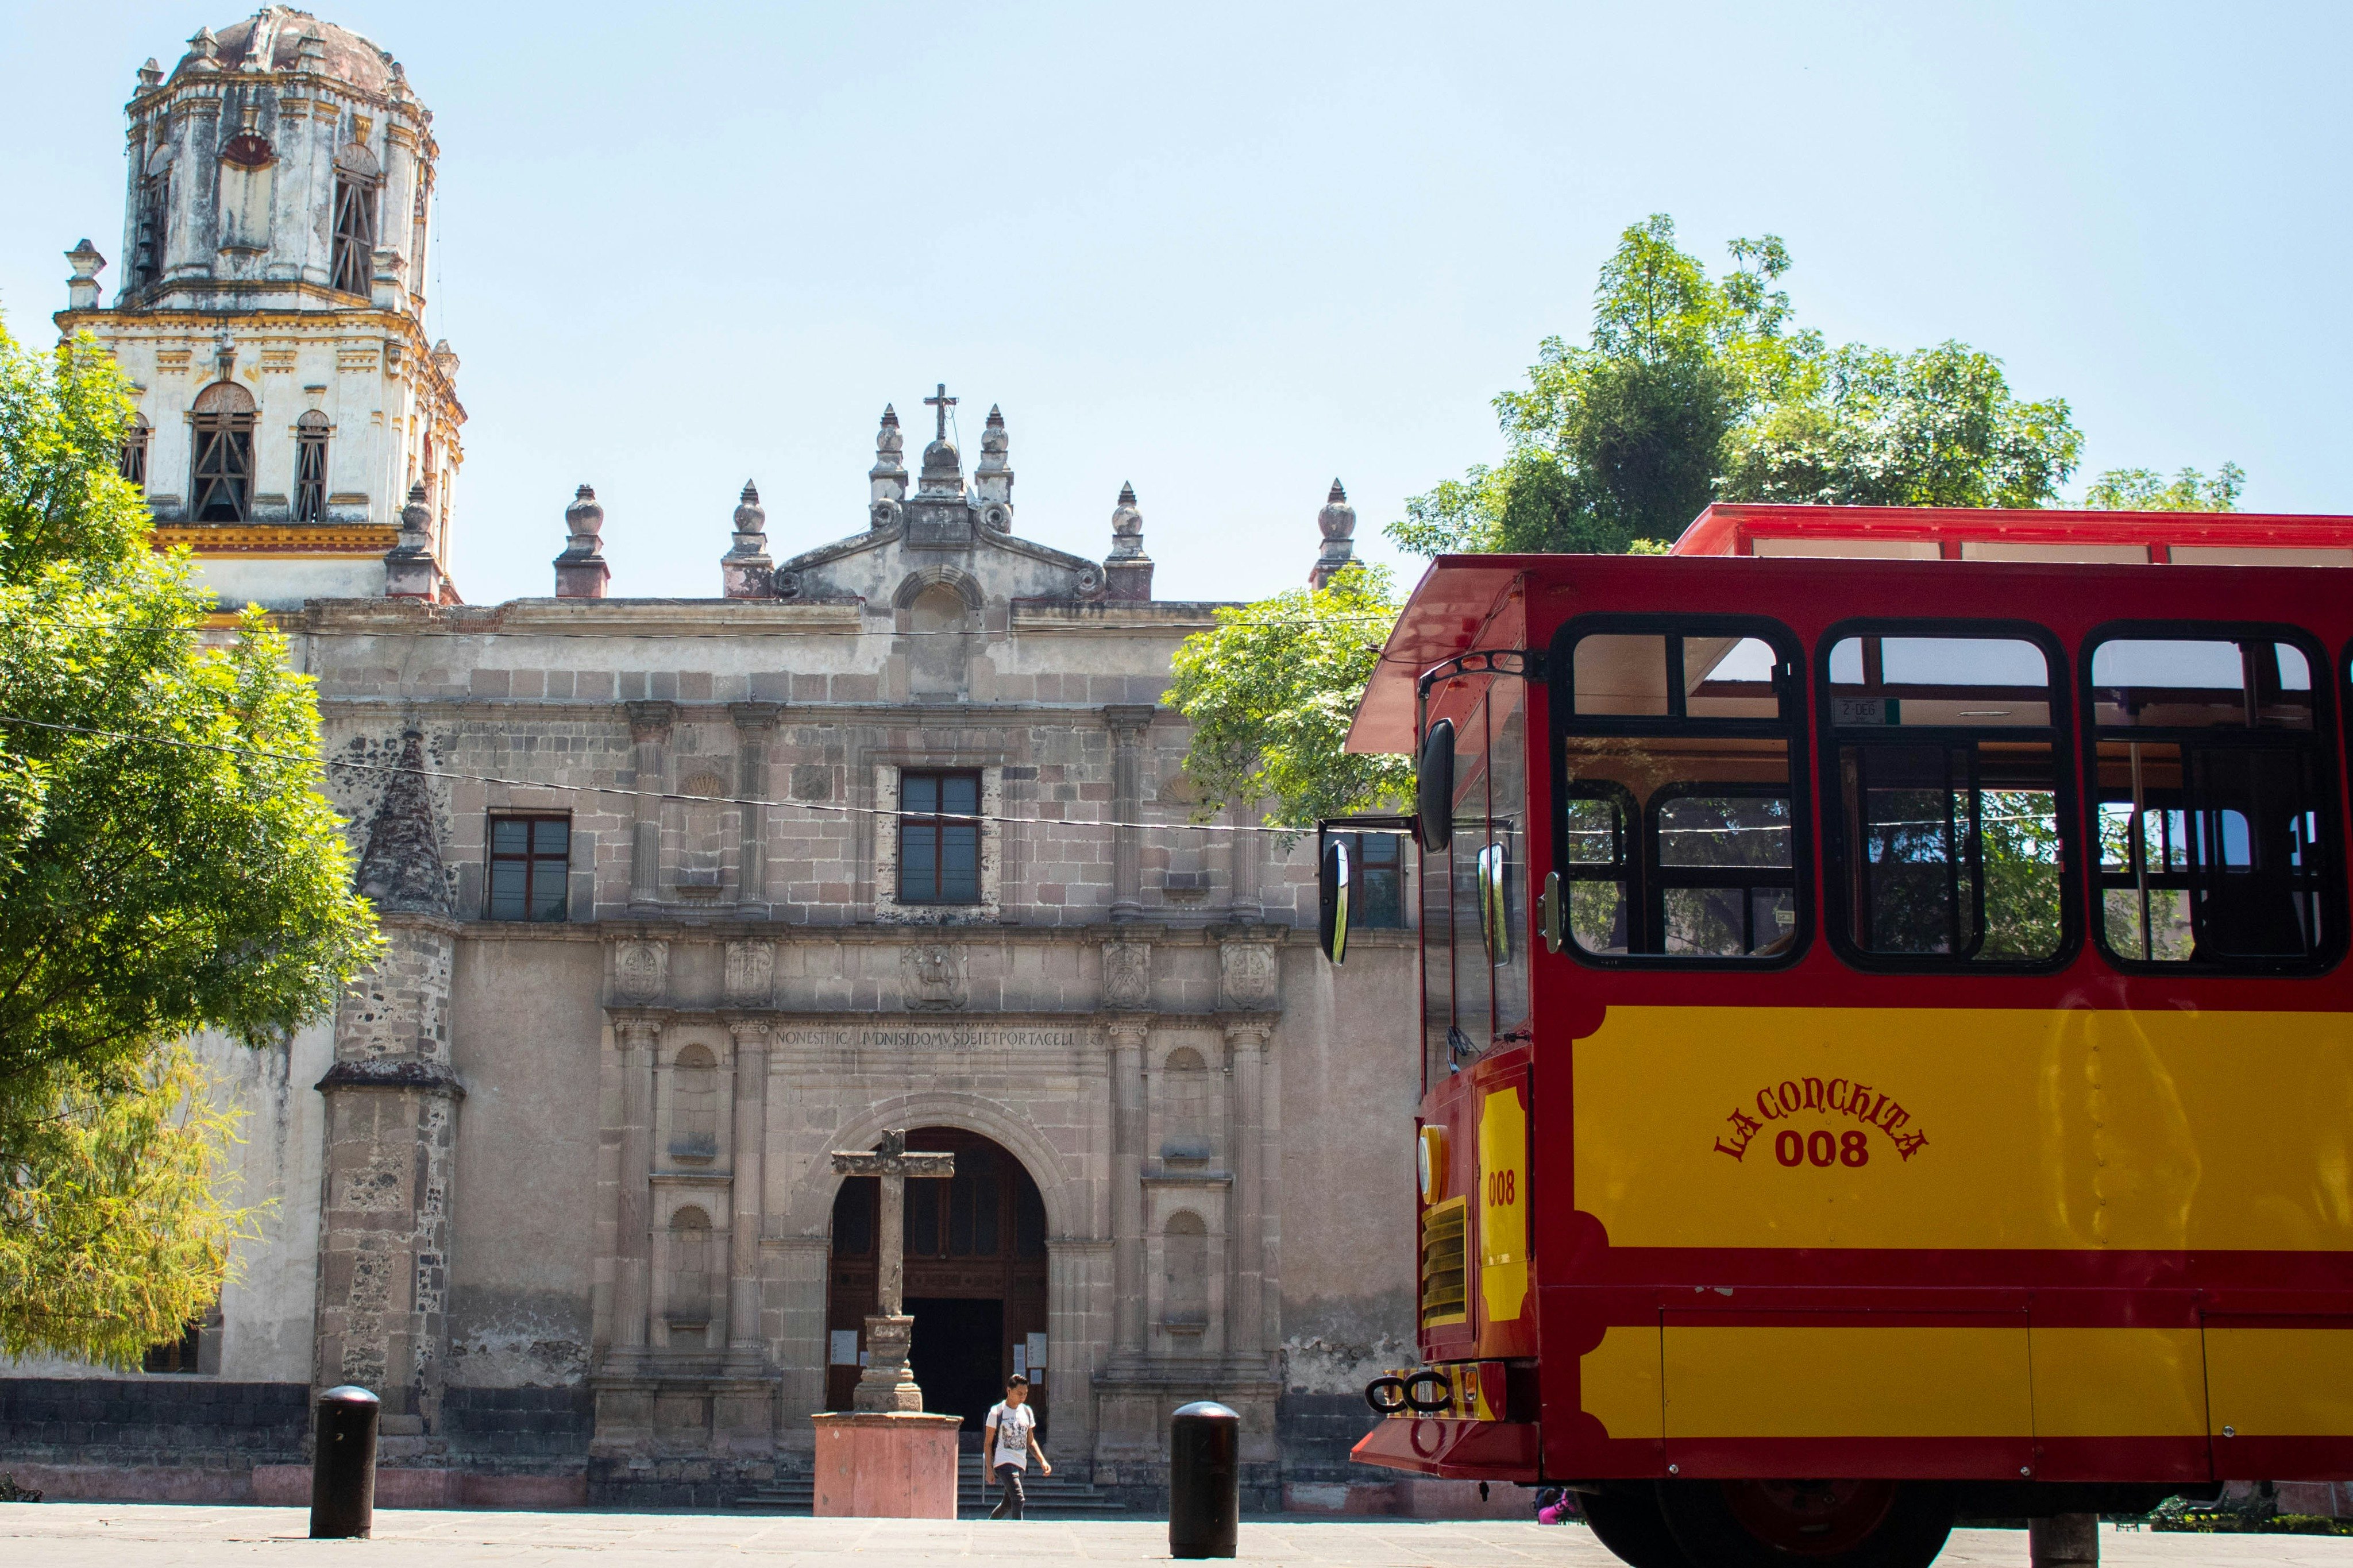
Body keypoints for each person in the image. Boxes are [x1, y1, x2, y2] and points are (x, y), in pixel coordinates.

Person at [982, 1374, 1050, 1520]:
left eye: (1025, 1394)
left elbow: (1030, 1441)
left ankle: (988, 1526)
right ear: (1009, 1391)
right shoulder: (997, 1412)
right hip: (1003, 1461)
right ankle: (1018, 1531)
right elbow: (988, 1443)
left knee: (1008, 1504)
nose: (1023, 1397)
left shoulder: (1027, 1411)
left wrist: (1042, 1461)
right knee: (1019, 1499)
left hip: (1020, 1463)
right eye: (1020, 1394)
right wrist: (989, 1469)